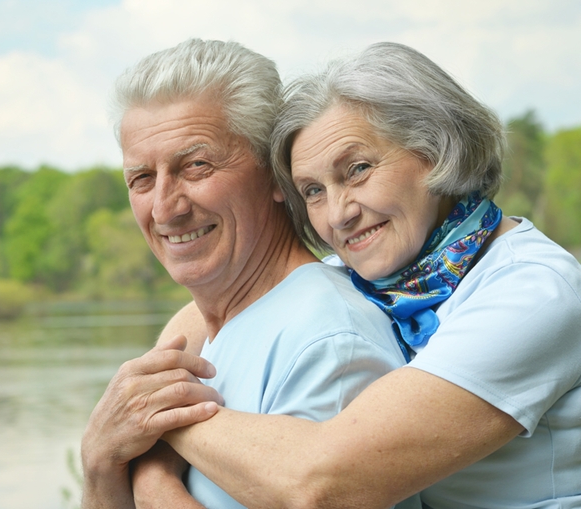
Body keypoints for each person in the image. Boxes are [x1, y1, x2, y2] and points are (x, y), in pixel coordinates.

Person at [135, 42, 581, 508]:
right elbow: (202, 318)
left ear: (435, 150)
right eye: (312, 190)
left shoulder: (532, 292)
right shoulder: (380, 278)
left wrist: (163, 422)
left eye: (357, 170)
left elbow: (327, 484)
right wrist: (141, 430)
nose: (338, 214)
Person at [80, 39, 420, 509]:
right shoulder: (211, 327)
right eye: (141, 178)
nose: (164, 207)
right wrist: (99, 463)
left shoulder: (328, 343)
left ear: (277, 175)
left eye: (196, 165)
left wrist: (150, 480)